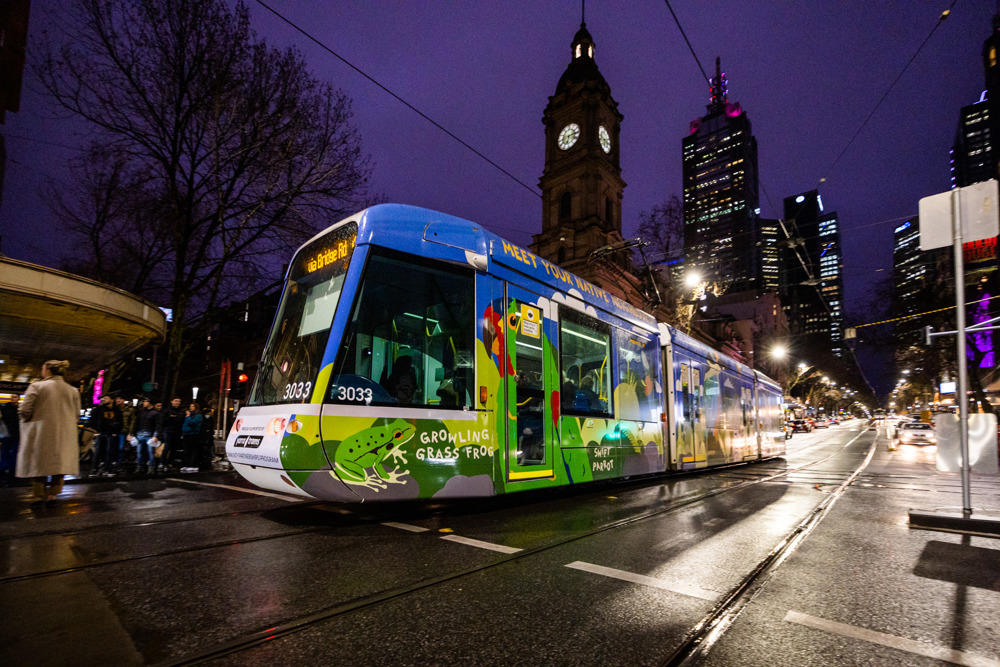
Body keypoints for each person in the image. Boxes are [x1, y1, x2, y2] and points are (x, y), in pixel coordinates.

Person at [16, 359, 82, 507]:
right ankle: (53, 495)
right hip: (65, 433)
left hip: (41, 431)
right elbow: (76, 414)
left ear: (48, 370)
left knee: (38, 464)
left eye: (42, 368)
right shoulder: (73, 391)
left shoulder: (37, 386)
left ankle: (38, 496)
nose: (41, 371)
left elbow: (25, 410)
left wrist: (25, 419)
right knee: (60, 464)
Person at [89, 394, 122, 476]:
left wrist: (116, 432)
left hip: (111, 433)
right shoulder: (98, 409)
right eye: (103, 398)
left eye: (106, 398)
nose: (103, 399)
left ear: (112, 400)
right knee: (98, 451)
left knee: (109, 451)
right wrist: (95, 431)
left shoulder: (117, 410)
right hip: (101, 433)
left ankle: (108, 469)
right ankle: (94, 469)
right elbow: (92, 420)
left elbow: (120, 422)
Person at [131, 398, 163, 475]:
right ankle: (140, 467)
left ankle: (150, 468)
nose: (144, 403)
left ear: (150, 403)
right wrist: (132, 434)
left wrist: (156, 436)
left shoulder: (155, 413)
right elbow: (136, 424)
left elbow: (158, 425)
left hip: (149, 435)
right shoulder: (141, 412)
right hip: (141, 434)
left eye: (146, 401)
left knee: (150, 452)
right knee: (139, 452)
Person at [160, 397, 185, 473]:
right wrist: (170, 418)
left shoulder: (181, 411)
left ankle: (169, 462)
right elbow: (162, 420)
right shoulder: (167, 410)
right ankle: (162, 462)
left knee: (174, 448)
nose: (177, 403)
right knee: (167, 447)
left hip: (177, 431)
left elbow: (181, 420)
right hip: (168, 430)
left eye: (179, 401)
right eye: (176, 401)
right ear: (172, 401)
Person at [180, 402, 203, 473]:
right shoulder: (189, 415)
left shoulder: (198, 416)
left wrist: (188, 417)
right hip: (186, 434)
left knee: (193, 450)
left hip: (194, 434)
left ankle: (193, 465)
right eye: (190, 406)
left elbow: (192, 423)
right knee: (186, 450)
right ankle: (186, 464)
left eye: (193, 406)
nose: (191, 408)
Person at [0, 396, 20, 478]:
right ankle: (6, 468)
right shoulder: (6, 408)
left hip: (14, 434)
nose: (13, 398)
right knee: (7, 451)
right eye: (12, 397)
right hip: (8, 433)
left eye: (15, 397)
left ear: (18, 399)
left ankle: (10, 468)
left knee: (11, 451)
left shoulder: (17, 409)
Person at [116, 396, 136, 471]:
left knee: (121, 448)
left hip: (123, 431)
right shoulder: (114, 408)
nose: (118, 400)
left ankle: (119, 463)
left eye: (120, 399)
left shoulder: (130, 409)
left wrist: (130, 433)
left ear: (123, 400)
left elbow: (132, 422)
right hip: (115, 431)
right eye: (117, 399)